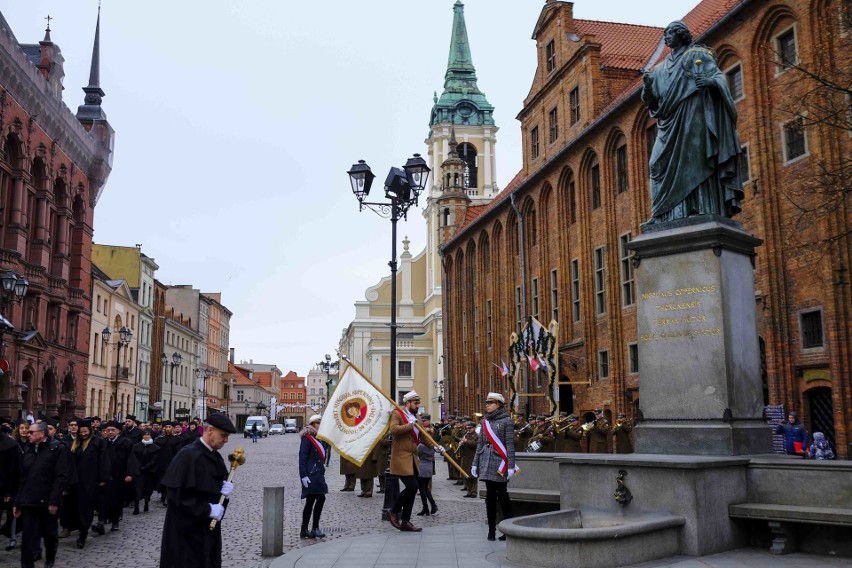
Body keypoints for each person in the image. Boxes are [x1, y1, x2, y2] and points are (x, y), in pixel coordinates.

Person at [641, 20, 743, 225]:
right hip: (669, 123)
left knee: (694, 160)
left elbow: (718, 77)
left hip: (693, 115)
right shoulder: (659, 70)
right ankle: (663, 214)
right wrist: (647, 88)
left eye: (670, 32)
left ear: (681, 34)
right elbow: (653, 102)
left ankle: (700, 208)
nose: (667, 36)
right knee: (655, 164)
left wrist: (710, 82)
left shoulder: (697, 55)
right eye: (665, 33)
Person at [159, 413, 236, 568]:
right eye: (223, 435)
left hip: (207, 532)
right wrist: (207, 509)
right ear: (210, 430)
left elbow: (217, 497)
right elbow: (176, 498)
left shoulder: (216, 457)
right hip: (186, 535)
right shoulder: (188, 455)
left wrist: (225, 494)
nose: (226, 440)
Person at [13, 421, 71, 568]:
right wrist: (17, 502)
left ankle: (50, 559)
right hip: (29, 501)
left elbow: (61, 477)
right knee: (28, 537)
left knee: (49, 534)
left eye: (32, 432)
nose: (28, 434)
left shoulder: (58, 449)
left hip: (47, 501)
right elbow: (22, 478)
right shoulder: (28, 448)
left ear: (42, 434)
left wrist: (54, 501)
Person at [387, 391, 443, 532]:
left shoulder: (416, 417)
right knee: (412, 487)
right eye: (415, 403)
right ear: (407, 403)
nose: (417, 405)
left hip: (413, 458)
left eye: (418, 403)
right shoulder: (397, 414)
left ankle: (406, 521)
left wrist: (436, 447)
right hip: (401, 457)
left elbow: (424, 437)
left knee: (413, 489)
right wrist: (409, 426)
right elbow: (393, 430)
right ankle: (393, 510)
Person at [471, 392, 516, 541]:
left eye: (490, 402)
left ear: (498, 404)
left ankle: (509, 529)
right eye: (486, 402)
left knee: (503, 496)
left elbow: (510, 444)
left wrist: (510, 465)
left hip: (499, 462)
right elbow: (480, 443)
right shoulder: (485, 422)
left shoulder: (507, 421)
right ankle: (491, 529)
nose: (487, 405)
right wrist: (475, 463)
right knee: (490, 497)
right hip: (486, 460)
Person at [69, 419, 109, 549]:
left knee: (87, 508)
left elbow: (103, 461)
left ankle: (83, 534)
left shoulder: (98, 442)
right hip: (76, 482)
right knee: (76, 508)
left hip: (91, 481)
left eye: (86, 432)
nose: (84, 434)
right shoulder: (76, 444)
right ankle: (81, 528)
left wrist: (103, 478)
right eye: (81, 432)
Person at [94, 421, 137, 535]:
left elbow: (131, 459)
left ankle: (115, 521)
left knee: (116, 500)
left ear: (118, 431)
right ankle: (101, 522)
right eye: (108, 430)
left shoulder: (125, 443)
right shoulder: (102, 443)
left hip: (119, 476)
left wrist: (129, 474)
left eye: (113, 430)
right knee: (102, 500)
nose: (110, 432)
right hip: (104, 476)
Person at [299, 414, 329, 539]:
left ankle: (304, 530)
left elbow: (325, 449)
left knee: (310, 501)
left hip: (318, 474)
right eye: (319, 423)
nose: (321, 426)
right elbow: (302, 458)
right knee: (320, 499)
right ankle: (314, 528)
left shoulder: (319, 438)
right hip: (311, 475)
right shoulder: (307, 438)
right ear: (314, 424)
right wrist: (304, 476)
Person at [131, 429, 163, 514]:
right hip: (139, 471)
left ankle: (146, 503)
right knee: (137, 488)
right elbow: (134, 458)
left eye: (148, 435)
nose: (146, 436)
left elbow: (155, 459)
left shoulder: (155, 448)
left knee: (148, 488)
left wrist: (147, 466)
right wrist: (139, 466)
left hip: (149, 472)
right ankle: (136, 507)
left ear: (151, 436)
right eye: (145, 435)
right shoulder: (136, 446)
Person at [415, 440, 438, 516]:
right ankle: (433, 505)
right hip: (429, 466)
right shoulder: (432, 446)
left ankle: (426, 508)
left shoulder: (421, 445)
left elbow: (415, 453)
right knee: (426, 488)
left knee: (422, 489)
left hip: (422, 467)